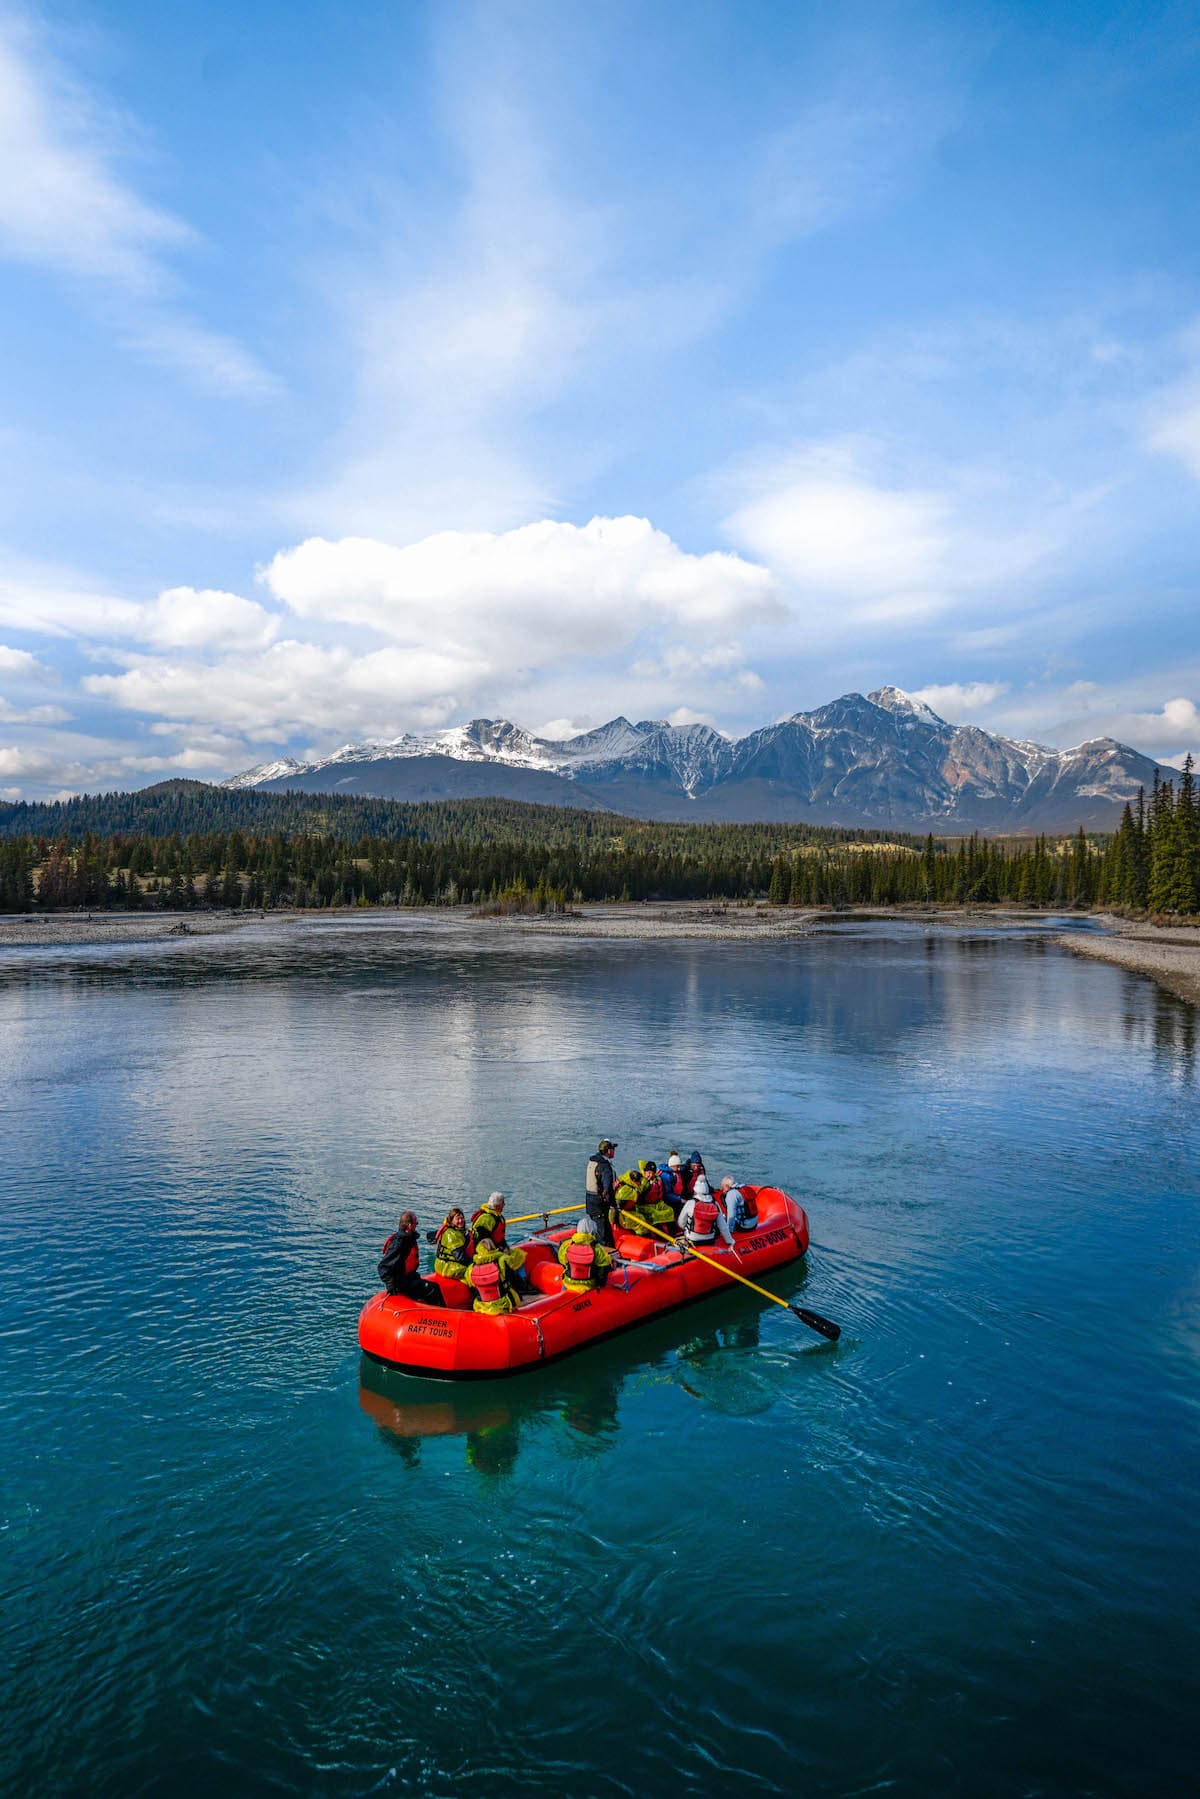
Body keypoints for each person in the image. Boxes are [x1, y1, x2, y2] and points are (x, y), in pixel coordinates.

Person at [378, 1210, 446, 1305]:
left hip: (409, 1278)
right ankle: (441, 1315)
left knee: (431, 1287)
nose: (416, 1225)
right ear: (410, 1226)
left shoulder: (408, 1239)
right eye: (416, 1223)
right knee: (433, 1288)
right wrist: (391, 1287)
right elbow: (383, 1266)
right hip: (402, 1284)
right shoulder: (399, 1243)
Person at [557, 1214, 614, 1292]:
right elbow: (604, 1267)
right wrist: (600, 1284)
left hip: (569, 1282)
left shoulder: (566, 1245)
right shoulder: (597, 1248)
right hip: (589, 1285)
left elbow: (562, 1261)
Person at [467, 1240, 524, 1314]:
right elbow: (515, 1280)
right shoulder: (502, 1260)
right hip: (504, 1304)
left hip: (482, 1306)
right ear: (493, 1247)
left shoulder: (471, 1267)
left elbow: (471, 1285)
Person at [677, 1177, 734, 1250]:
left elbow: (681, 1223)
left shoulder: (691, 1203)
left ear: (695, 1190)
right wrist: (730, 1241)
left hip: (693, 1240)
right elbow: (723, 1227)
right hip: (709, 1240)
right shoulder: (715, 1204)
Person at [585, 1138, 618, 1245]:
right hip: (600, 1206)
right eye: (613, 1149)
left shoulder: (593, 1161)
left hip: (590, 1202)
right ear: (608, 1151)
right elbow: (607, 1188)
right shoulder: (604, 1166)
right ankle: (606, 1257)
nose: (614, 1151)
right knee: (604, 1236)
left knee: (600, 1231)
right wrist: (613, 1204)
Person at [432, 1206, 472, 1282]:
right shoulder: (451, 1234)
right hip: (447, 1266)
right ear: (451, 1220)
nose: (461, 1221)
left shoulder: (459, 1231)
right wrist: (474, 1262)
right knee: (473, 1271)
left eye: (462, 1218)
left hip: (450, 1263)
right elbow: (459, 1256)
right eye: (458, 1218)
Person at [637, 1159, 676, 1229]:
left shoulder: (658, 1180)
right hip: (646, 1205)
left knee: (670, 1211)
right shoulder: (642, 1182)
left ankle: (671, 1230)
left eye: (652, 1173)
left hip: (657, 1204)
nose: (651, 1175)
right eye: (649, 1173)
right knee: (655, 1214)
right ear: (645, 1172)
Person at [613, 1163, 650, 1235]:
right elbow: (616, 1206)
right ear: (634, 1181)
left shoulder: (625, 1181)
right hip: (621, 1216)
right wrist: (615, 1222)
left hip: (626, 1211)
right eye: (639, 1182)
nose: (640, 1184)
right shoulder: (627, 1190)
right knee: (641, 1222)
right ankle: (642, 1238)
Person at [659, 1152, 686, 1217]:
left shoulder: (675, 1172)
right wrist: (680, 1199)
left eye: (679, 1166)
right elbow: (667, 1194)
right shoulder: (666, 1176)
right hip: (670, 1201)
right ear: (672, 1166)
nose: (679, 1168)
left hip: (677, 1197)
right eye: (677, 1166)